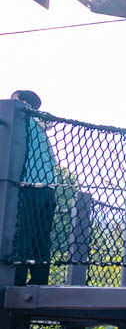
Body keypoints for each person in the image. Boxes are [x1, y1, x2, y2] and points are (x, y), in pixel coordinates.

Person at [11, 90, 57, 286]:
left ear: (22, 103)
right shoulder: (39, 127)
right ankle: (39, 279)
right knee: (41, 237)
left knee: (23, 232)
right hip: (49, 188)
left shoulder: (24, 121)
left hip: (30, 185)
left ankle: (17, 279)